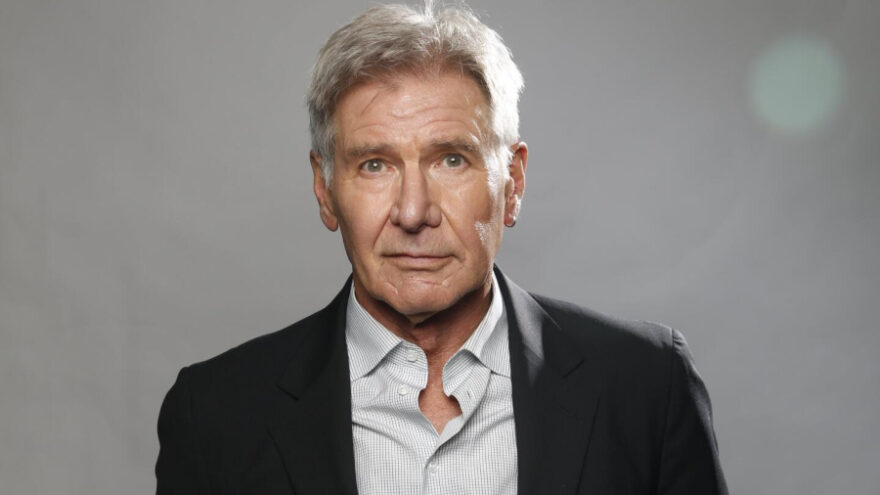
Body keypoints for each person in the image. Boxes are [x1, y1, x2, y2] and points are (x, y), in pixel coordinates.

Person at [155, 2, 728, 494]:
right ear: (324, 190)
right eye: (374, 165)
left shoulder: (648, 387)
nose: (413, 212)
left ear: (513, 183)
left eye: (451, 159)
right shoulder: (213, 415)